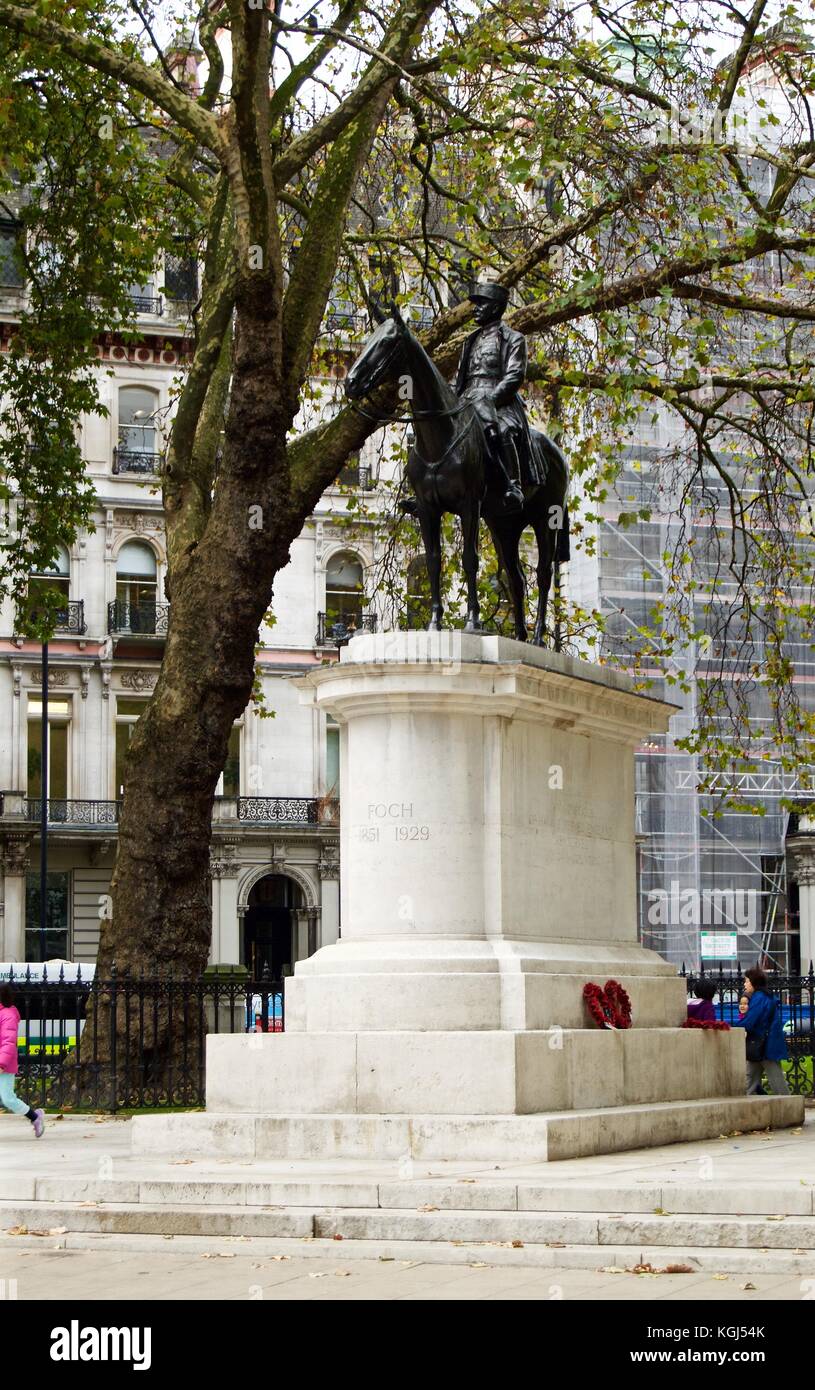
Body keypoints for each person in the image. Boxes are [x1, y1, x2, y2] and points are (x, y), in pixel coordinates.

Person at [453, 281, 529, 513]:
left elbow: (515, 375)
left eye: (480, 304)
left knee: (504, 430)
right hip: (467, 398)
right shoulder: (470, 340)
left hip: (497, 399)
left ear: (495, 308)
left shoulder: (514, 339)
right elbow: (461, 378)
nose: (474, 309)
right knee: (436, 429)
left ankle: (514, 486)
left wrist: (490, 401)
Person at [733, 967, 790, 1096]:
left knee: (776, 1080)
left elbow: (751, 1019)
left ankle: (789, 1106)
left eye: (747, 981)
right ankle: (742, 1105)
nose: (745, 984)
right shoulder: (764, 996)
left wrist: (735, 1028)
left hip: (764, 1045)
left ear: (753, 982)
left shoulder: (759, 997)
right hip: (761, 1044)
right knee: (750, 1078)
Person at [0, 984, 45, 1136]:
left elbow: (8, 1041)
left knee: (8, 1099)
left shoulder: (8, 1015)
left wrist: (2, 1063)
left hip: (3, 1064)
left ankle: (35, 1117)